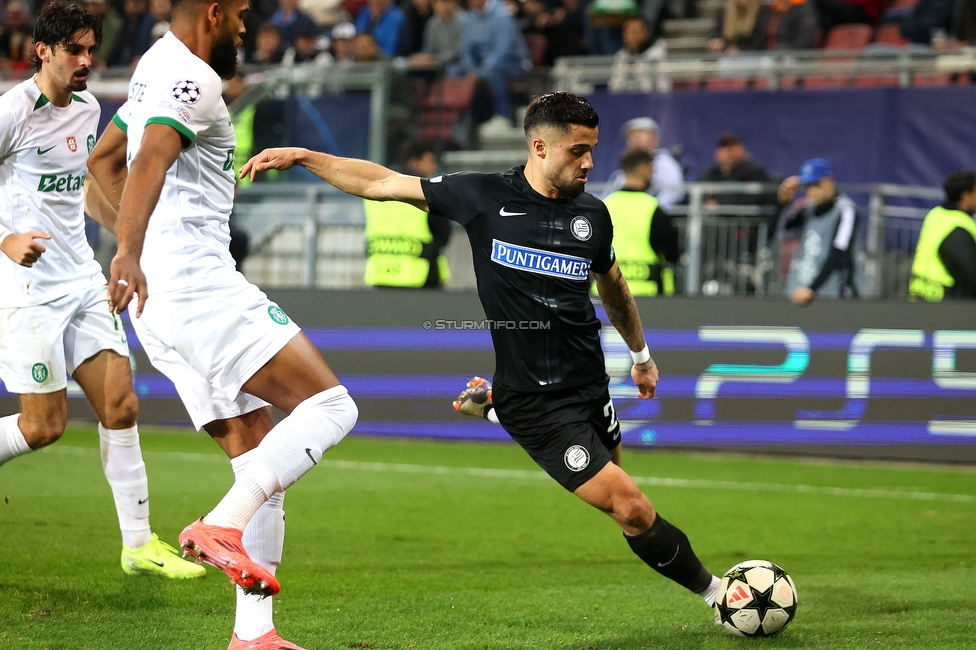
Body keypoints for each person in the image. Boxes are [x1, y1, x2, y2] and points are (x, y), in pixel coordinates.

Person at [242, 92, 722, 630]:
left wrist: (641, 355)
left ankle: (493, 407)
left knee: (615, 471)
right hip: (538, 404)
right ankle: (721, 597)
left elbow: (614, 288)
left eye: (593, 150)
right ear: (540, 147)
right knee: (631, 507)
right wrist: (305, 155)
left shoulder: (594, 214)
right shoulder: (482, 196)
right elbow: (380, 183)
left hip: (590, 383)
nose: (589, 163)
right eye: (578, 151)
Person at [86, 0, 359, 646]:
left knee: (257, 453)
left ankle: (253, 635)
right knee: (333, 406)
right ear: (212, 12)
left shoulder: (154, 62)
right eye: (239, 13)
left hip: (160, 303)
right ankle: (222, 525)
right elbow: (148, 158)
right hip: (200, 289)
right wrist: (129, 251)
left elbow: (103, 162)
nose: (244, 26)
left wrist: (135, 251)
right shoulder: (197, 77)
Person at [0, 0, 204, 581]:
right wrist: (6, 239)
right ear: (43, 51)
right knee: (43, 427)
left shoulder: (88, 107)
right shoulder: (13, 112)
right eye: (75, 51)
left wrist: (131, 244)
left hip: (84, 281)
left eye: (92, 49)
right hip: (26, 288)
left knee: (121, 403)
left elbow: (83, 189)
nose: (88, 61)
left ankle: (138, 545)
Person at [364, 140, 452, 288]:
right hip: (421, 276)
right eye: (430, 161)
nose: (434, 166)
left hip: (380, 275)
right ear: (414, 163)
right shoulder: (428, 191)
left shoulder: (376, 189)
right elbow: (443, 234)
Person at [777, 158, 860, 304]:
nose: (812, 191)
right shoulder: (806, 208)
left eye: (816, 184)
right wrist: (783, 203)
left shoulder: (845, 210)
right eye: (807, 186)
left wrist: (812, 289)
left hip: (833, 294)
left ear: (830, 181)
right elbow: (779, 230)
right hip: (800, 291)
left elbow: (839, 253)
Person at [600, 149, 680, 296]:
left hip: (605, 294)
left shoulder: (604, 207)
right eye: (652, 170)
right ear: (643, 168)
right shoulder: (655, 210)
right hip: (649, 297)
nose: (652, 175)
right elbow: (672, 254)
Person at [450, 0, 532, 129]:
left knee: (493, 70)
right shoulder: (470, 17)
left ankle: (502, 117)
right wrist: (471, 68)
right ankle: (457, 121)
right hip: (481, 65)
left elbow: (502, 51)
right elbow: (467, 50)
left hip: (513, 62)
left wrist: (479, 72)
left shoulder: (502, 15)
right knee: (453, 71)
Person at [909, 170, 976, 301]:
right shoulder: (960, 227)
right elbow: (970, 273)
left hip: (919, 294)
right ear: (965, 195)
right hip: (946, 302)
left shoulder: (935, 214)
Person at [603, 117, 684, 208]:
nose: (635, 138)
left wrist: (651, 209)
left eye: (640, 133)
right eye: (631, 135)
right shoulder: (624, 168)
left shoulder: (663, 162)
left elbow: (674, 192)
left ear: (655, 137)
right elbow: (609, 195)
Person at [708, 0, 818, 51]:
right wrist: (716, 40)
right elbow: (716, 33)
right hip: (766, 53)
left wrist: (741, 50)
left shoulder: (762, 12)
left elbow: (760, 41)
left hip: (787, 54)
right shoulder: (724, 13)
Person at [409, 0, 465, 67]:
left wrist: (434, 58)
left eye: (448, 2)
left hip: (458, 65)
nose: (445, 6)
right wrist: (422, 57)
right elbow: (428, 48)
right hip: (436, 66)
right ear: (434, 5)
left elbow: (458, 51)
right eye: (441, 3)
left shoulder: (463, 21)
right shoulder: (432, 23)